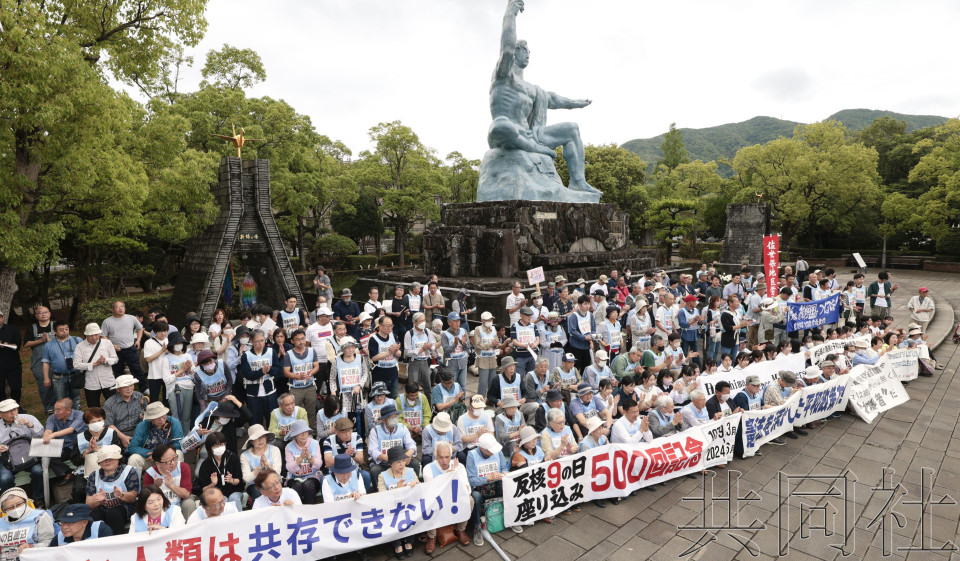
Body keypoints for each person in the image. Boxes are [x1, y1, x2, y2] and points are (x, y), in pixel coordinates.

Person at [466, 433, 520, 545]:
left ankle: (510, 518)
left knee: (506, 485)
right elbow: (471, 480)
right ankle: (477, 527)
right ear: (482, 449)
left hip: (496, 484)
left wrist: (504, 473)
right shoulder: (472, 455)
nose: (493, 452)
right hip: (479, 488)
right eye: (491, 450)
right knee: (475, 496)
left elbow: (504, 468)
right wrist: (488, 478)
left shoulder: (497, 451)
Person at [422, 441, 472, 552]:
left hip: (454, 499)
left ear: (451, 456)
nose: (444, 461)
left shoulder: (459, 467)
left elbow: (467, 490)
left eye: (447, 457)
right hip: (437, 500)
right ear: (435, 456)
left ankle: (460, 529)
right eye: (441, 457)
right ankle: (431, 536)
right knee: (428, 504)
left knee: (470, 500)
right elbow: (432, 492)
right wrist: (449, 476)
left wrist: (456, 474)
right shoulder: (428, 468)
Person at [320, 455, 373, 561]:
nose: (346, 475)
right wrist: (347, 501)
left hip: (355, 512)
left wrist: (358, 496)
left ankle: (361, 550)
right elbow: (329, 506)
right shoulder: (327, 481)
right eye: (342, 473)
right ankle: (334, 553)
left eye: (348, 472)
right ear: (335, 472)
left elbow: (364, 496)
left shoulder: (357, 475)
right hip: (337, 516)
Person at [85, 445, 139, 535]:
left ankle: (118, 540)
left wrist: (122, 495)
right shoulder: (94, 476)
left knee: (113, 513)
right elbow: (88, 503)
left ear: (118, 459)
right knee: (94, 515)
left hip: (124, 507)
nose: (107, 461)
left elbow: (133, 497)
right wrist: (98, 501)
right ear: (99, 462)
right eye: (103, 459)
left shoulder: (129, 471)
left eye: (111, 458)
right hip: (102, 508)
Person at [367, 403, 419, 490]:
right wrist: (389, 458)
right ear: (383, 420)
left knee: (415, 464)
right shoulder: (375, 431)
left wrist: (409, 452)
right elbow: (372, 451)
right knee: (374, 470)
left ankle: (414, 489)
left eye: (396, 417)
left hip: (401, 461)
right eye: (391, 418)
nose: (394, 420)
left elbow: (411, 444)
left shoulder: (403, 428)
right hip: (384, 462)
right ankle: (379, 493)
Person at [378, 446, 418, 558]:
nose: (402, 464)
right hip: (392, 508)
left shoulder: (411, 471)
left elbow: (420, 489)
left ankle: (409, 541)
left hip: (409, 506)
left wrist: (416, 485)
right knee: (392, 517)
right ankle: (397, 544)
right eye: (398, 462)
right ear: (390, 463)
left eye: (403, 461)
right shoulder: (382, 476)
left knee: (412, 513)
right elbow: (381, 496)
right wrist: (396, 490)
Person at [0, 399, 45, 496]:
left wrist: (30, 425)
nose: (13, 413)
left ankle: (38, 497)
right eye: (8, 411)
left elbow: (41, 435)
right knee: (5, 478)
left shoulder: (28, 418)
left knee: (38, 471)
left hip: (29, 455)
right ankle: (12, 500)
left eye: (15, 409)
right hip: (7, 459)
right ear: (1, 414)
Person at [100, 301, 146, 392]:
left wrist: (138, 340)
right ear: (112, 309)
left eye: (122, 306)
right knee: (118, 370)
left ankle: (144, 388)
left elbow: (140, 328)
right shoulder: (107, 321)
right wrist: (111, 345)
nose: (120, 308)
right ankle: (120, 388)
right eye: (117, 307)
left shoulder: (131, 318)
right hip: (116, 350)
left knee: (136, 369)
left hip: (130, 347)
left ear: (125, 308)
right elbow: (103, 335)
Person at [238, 329, 280, 427]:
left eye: (262, 340)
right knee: (255, 422)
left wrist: (269, 370)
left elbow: (278, 370)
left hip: (270, 391)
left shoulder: (271, 352)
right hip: (253, 393)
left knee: (272, 420)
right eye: (257, 341)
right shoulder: (246, 355)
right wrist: (261, 371)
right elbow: (247, 374)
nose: (260, 344)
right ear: (252, 342)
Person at [142, 444, 196, 520]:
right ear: (158, 463)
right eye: (168, 461)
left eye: (174, 458)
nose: (173, 463)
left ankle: (189, 526)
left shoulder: (183, 467)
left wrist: (171, 486)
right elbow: (146, 499)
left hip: (181, 502)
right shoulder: (150, 474)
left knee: (189, 503)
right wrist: (155, 486)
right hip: (161, 506)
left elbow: (186, 494)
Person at [280, 329, 320, 431]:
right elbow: (286, 372)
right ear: (292, 341)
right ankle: (296, 432)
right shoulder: (289, 354)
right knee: (294, 412)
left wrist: (311, 373)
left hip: (310, 386)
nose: (301, 342)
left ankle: (312, 431)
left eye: (303, 339)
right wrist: (299, 377)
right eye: (297, 339)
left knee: (311, 411)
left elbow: (316, 366)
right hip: (295, 388)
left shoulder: (312, 351)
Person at [196, 431, 244, 512]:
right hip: (216, 494)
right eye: (216, 445)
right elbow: (203, 489)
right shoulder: (205, 464)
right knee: (221, 500)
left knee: (234, 498)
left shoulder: (233, 458)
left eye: (222, 444)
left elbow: (239, 480)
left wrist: (231, 480)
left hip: (234, 491)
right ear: (210, 447)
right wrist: (212, 484)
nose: (220, 447)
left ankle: (239, 519)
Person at [0, 487, 55, 556]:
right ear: (4, 509)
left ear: (25, 502)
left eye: (19, 504)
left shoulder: (40, 516)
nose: (15, 509)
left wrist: (33, 547)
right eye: (10, 507)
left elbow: (49, 542)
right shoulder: (1, 522)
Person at [41, 398, 84, 481]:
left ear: (68, 411)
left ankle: (79, 474)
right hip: (61, 447)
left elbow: (71, 429)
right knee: (47, 457)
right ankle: (69, 472)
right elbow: (48, 430)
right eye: (54, 409)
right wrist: (45, 437)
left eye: (58, 410)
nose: (55, 412)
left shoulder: (80, 415)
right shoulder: (52, 418)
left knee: (78, 457)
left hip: (77, 446)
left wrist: (53, 434)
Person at [282, 420, 323, 504]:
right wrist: (300, 458)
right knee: (297, 486)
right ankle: (297, 510)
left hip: (313, 477)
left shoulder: (315, 443)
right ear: (295, 435)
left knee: (308, 485)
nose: (304, 435)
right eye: (300, 432)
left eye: (305, 432)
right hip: (294, 477)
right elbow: (289, 468)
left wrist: (309, 457)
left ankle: (310, 511)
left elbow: (318, 465)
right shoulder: (289, 447)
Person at [23, 307, 54, 412]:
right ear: (36, 316)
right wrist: (41, 340)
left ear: (50, 313)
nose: (43, 314)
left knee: (59, 384)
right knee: (44, 385)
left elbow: (64, 339)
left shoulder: (56, 326)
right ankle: (49, 407)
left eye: (45, 312)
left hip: (56, 360)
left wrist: (50, 341)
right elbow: (26, 344)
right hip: (39, 362)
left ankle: (62, 406)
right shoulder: (32, 328)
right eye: (40, 313)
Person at [369, 317, 402, 398]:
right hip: (379, 372)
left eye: (391, 325)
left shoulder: (393, 336)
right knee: (379, 397)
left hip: (393, 371)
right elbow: (374, 357)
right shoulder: (373, 339)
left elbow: (399, 354)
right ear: (380, 326)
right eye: (387, 326)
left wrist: (396, 351)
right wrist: (389, 352)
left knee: (393, 396)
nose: (390, 328)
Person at [471, 312, 500, 401]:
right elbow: (478, 344)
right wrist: (491, 344)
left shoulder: (493, 329)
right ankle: (480, 400)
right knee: (483, 382)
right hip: (483, 359)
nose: (490, 321)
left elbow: (496, 342)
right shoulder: (478, 329)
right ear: (482, 321)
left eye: (491, 320)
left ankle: (490, 399)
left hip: (492, 358)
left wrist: (496, 344)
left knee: (492, 381)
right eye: (488, 320)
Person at [442, 312, 470, 391]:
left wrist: (464, 343)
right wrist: (455, 344)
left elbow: (468, 348)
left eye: (458, 321)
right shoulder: (445, 334)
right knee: (452, 386)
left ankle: (463, 399)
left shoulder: (463, 331)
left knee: (463, 386)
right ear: (449, 322)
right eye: (455, 321)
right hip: (452, 365)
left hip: (463, 363)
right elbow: (446, 351)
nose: (457, 323)